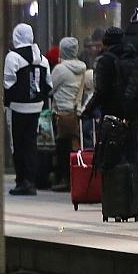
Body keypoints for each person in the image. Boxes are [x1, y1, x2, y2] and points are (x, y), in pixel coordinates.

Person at [82, 26, 138, 171]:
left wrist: (88, 110)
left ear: (106, 42)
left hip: (111, 114)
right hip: (131, 113)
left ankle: (114, 189)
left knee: (111, 154)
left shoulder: (105, 61)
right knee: (132, 153)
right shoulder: (135, 58)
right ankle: (133, 187)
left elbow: (101, 91)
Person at [3, 23, 52, 196]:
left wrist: (6, 102)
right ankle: (31, 180)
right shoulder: (42, 58)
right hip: (36, 106)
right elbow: (48, 84)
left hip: (17, 107)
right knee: (31, 143)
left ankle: (21, 180)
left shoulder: (13, 57)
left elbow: (7, 83)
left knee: (17, 143)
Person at [49, 37, 87, 192]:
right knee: (73, 147)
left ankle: (63, 179)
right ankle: (73, 179)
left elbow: (50, 88)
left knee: (61, 148)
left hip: (61, 113)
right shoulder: (82, 68)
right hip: (75, 112)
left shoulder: (60, 69)